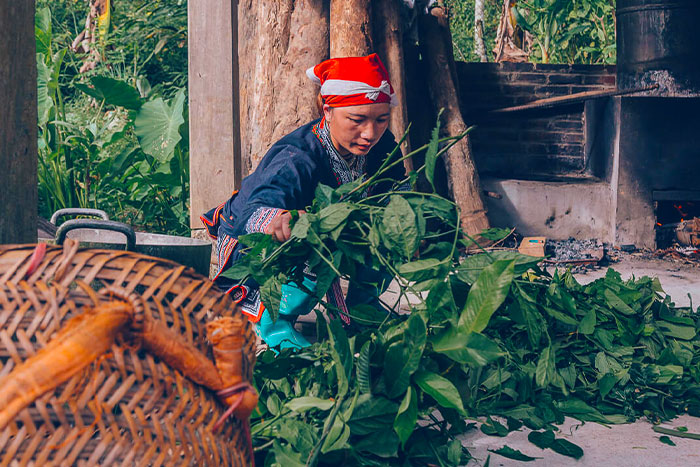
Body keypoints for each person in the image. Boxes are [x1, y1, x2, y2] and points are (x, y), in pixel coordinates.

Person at [202, 53, 406, 349]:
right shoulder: (296, 158)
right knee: (305, 240)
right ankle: (273, 323)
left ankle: (364, 309)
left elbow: (394, 189)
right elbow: (255, 210)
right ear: (328, 110)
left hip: (337, 233)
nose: (370, 133)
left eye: (382, 119)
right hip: (259, 240)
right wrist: (280, 219)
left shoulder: (383, 145)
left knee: (388, 228)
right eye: (357, 120)